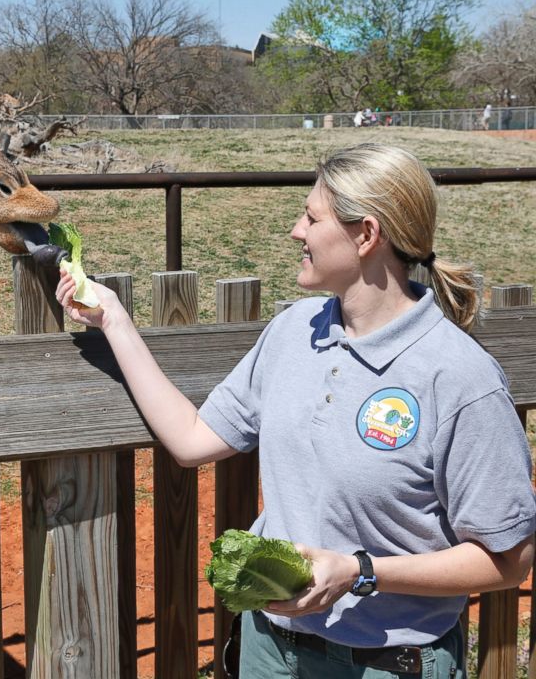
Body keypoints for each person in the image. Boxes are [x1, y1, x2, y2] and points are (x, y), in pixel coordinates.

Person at [56, 142, 536, 678]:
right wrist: (114, 321)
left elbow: (509, 559)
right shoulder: (294, 331)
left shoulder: (459, 378)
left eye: (311, 217)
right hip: (269, 648)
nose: (295, 231)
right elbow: (193, 439)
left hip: (385, 665)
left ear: (366, 235)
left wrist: (360, 572)